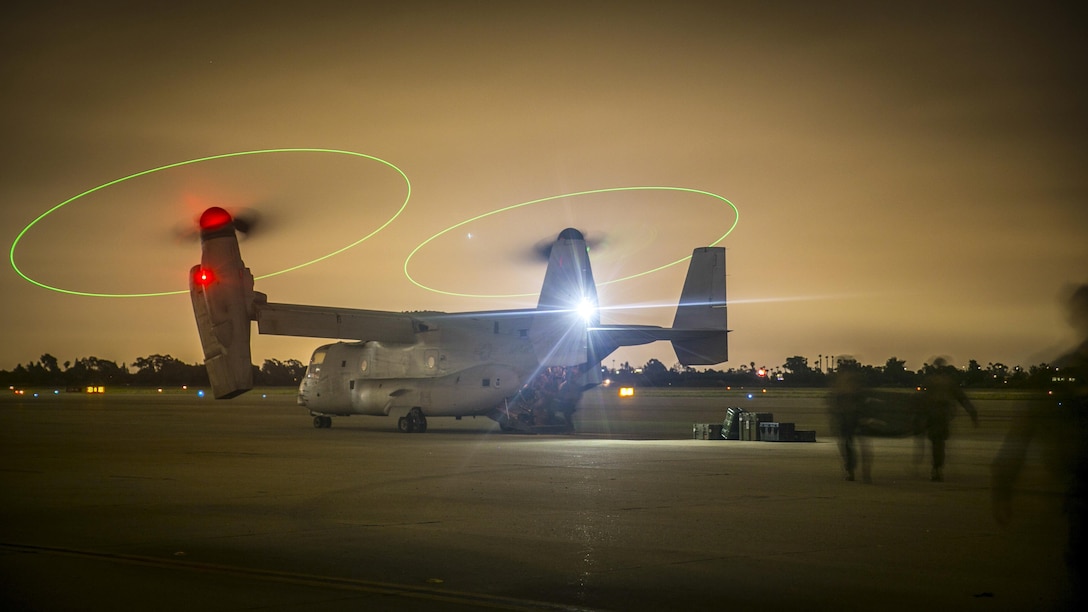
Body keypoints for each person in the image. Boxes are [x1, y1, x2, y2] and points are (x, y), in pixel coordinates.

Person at [992, 283, 1088, 606]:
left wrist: (1004, 479)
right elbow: (1026, 426)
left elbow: (1023, 430)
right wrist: (1004, 478)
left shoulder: (1068, 368)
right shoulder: (1068, 371)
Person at [918, 357, 979, 481]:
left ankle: (936, 469)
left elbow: (921, 400)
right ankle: (938, 468)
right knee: (940, 444)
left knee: (936, 443)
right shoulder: (949, 382)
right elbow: (962, 398)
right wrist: (972, 413)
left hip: (934, 416)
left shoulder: (929, 381)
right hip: (943, 416)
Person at [827, 364, 873, 482]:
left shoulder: (841, 382)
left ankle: (850, 470)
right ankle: (864, 472)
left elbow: (835, 401)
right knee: (861, 445)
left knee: (847, 444)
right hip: (857, 417)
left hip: (848, 418)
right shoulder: (857, 380)